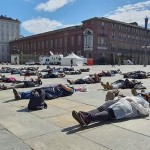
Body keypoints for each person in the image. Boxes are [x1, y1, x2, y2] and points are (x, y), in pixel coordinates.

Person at [72, 90, 150, 126]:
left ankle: (88, 119)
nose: (145, 95)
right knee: (101, 108)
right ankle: (84, 115)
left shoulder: (147, 104)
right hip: (120, 101)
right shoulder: (140, 97)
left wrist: (133, 102)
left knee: (110, 112)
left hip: (127, 107)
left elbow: (144, 112)